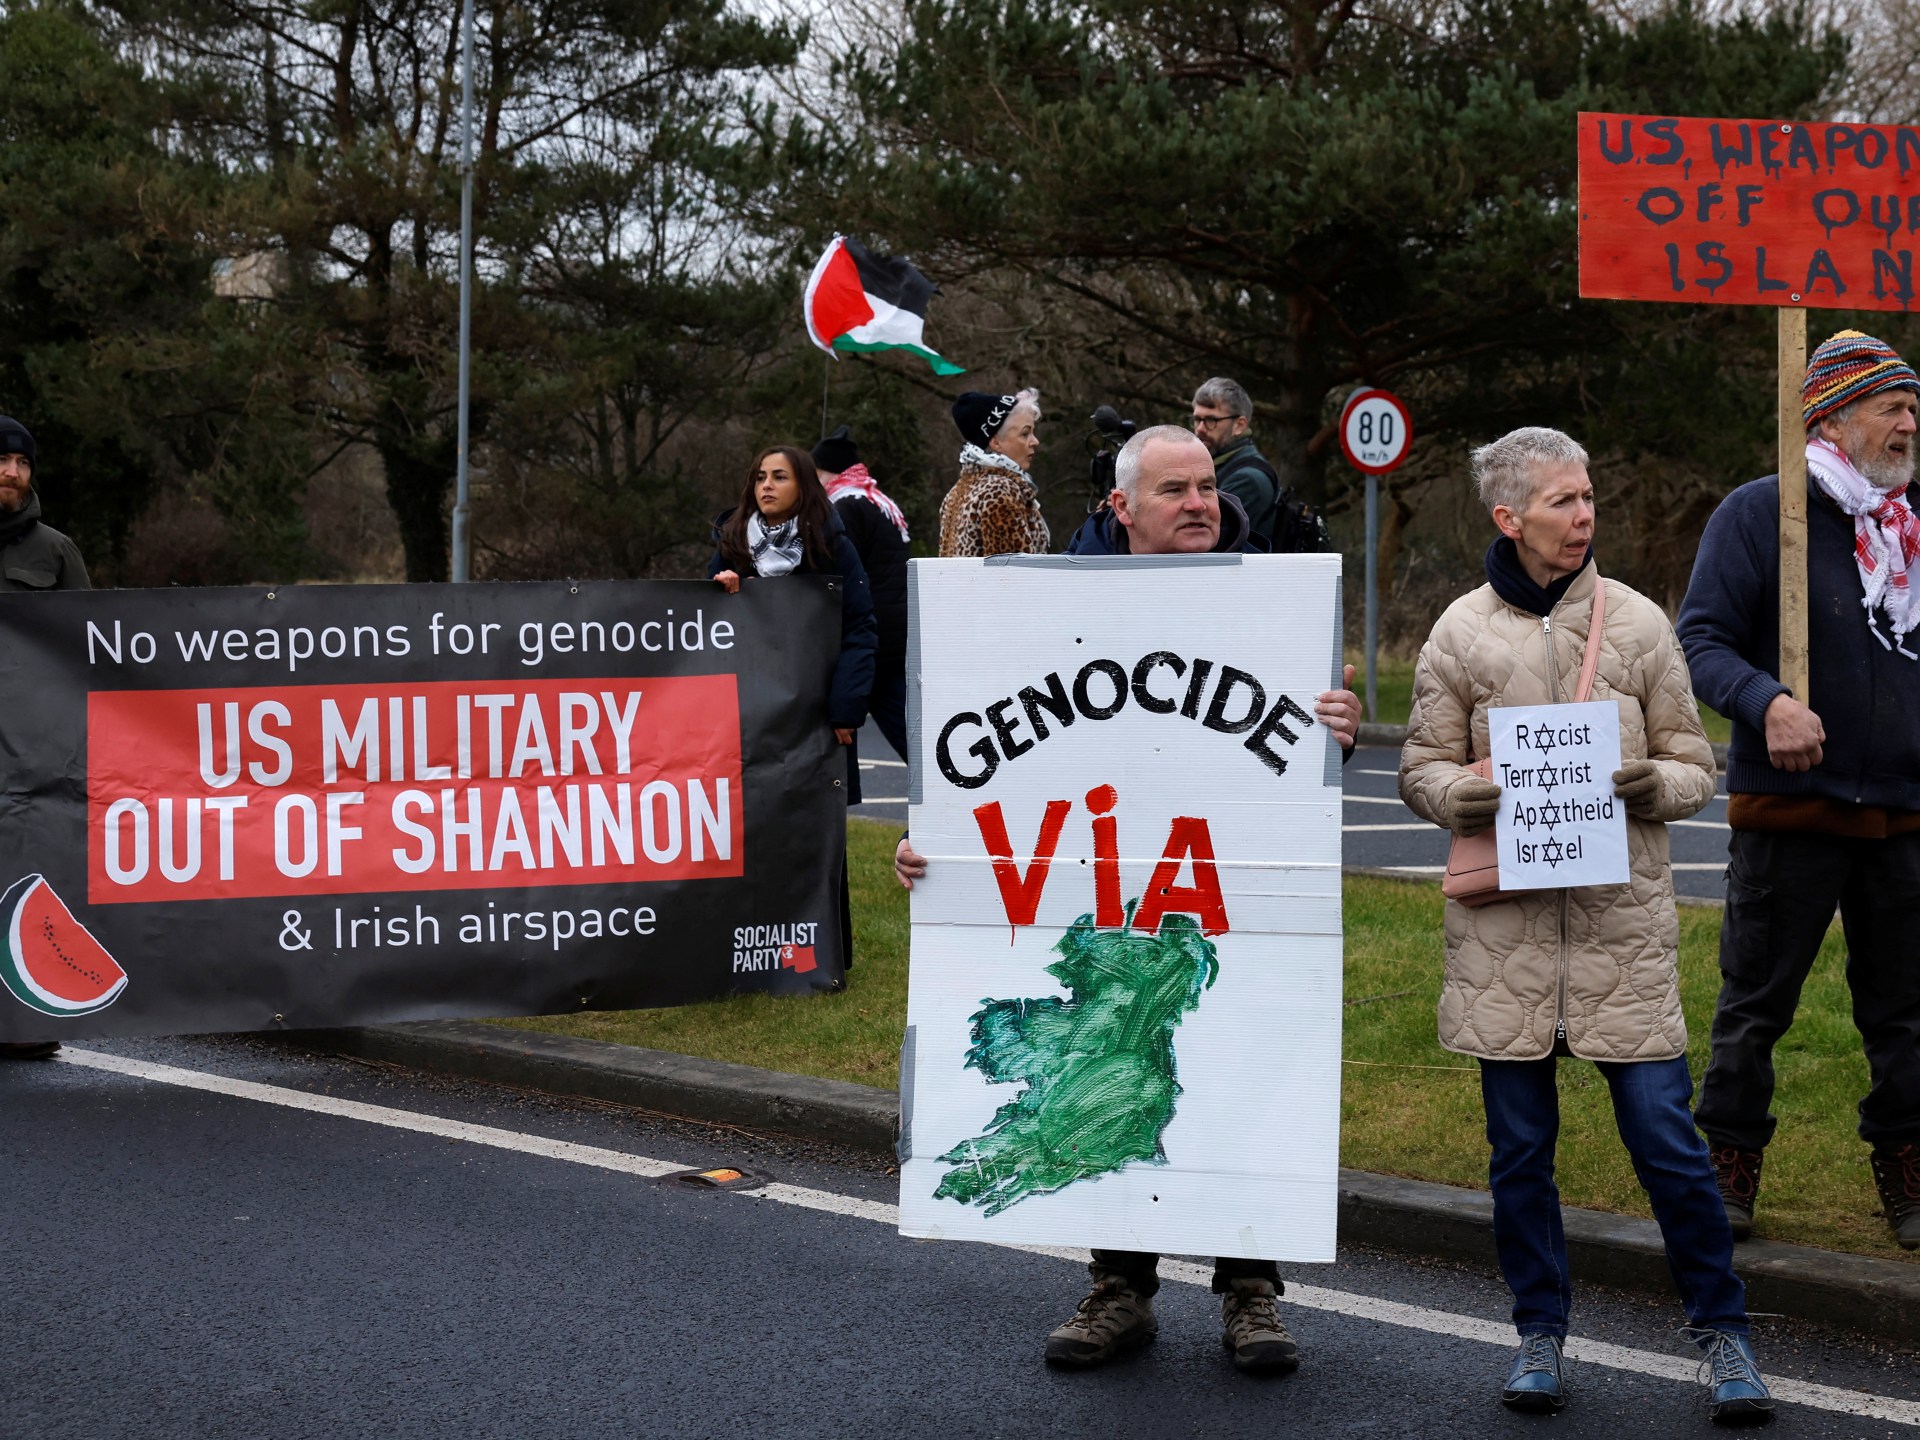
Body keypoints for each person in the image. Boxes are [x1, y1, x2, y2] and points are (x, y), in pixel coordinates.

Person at [899, 425, 1363, 1376]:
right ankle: (1120, 1286)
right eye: (1174, 490)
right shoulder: (1050, 605)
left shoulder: (1271, 600)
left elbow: (1291, 764)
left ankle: (1250, 1290)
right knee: (1109, 1061)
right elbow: (989, 755)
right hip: (1105, 890)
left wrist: (1339, 735)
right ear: (1121, 506)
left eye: (1207, 487)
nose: (1200, 503)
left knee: (1239, 1058)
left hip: (1226, 892)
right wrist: (940, 849)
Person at [1399, 426, 1773, 1425]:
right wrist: (1455, 798)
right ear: (1509, 517)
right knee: (1520, 1156)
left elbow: (1697, 764)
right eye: (1563, 501)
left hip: (1622, 936)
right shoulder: (1458, 631)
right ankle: (1539, 1334)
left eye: (1589, 497)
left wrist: (1658, 785)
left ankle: (1724, 1334)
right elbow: (1420, 766)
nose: (1584, 516)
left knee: (1669, 1147)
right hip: (1503, 945)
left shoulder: (1640, 624)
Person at [1678, 328, 1920, 1254]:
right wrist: (1766, 702)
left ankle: (1908, 1167)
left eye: (1914, 409)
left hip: (1903, 811)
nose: (1909, 425)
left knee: (1905, 1011)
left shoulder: (1912, 523)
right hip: (1791, 808)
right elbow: (1699, 641)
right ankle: (1728, 1163)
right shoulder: (1761, 513)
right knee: (1756, 1003)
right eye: (1892, 407)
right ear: (1833, 417)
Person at [711, 446, 878, 971]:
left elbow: (860, 629)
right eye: (760, 476)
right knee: (753, 830)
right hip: (752, 714)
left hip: (817, 715)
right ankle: (754, 953)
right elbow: (705, 628)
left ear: (803, 485)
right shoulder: (731, 544)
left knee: (815, 831)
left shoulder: (833, 547)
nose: (766, 485)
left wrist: (846, 708)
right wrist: (721, 592)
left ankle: (820, 955)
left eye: (779, 477)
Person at [0, 416, 90, 1061]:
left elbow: (90, 651)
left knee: (26, 879)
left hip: (30, 755)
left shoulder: (56, 553)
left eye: (22, 463)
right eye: (1, 461)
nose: (12, 472)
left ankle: (26, 1017)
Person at [813, 426, 909, 764]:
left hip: (870, 635)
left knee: (865, 722)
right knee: (905, 724)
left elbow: (839, 570)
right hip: (895, 629)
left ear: (827, 472)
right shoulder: (878, 501)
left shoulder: (844, 506)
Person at [938, 389, 1048, 557]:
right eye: (1025, 434)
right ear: (996, 443)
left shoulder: (956, 492)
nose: (1035, 441)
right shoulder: (1000, 491)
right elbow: (1012, 570)